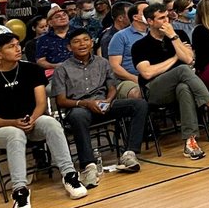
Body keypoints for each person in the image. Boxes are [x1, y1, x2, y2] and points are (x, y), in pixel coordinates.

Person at [0, 25, 88, 208]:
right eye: (11, 46)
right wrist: (14, 123)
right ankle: (20, 192)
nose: (18, 49)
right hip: (3, 129)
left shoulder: (32, 70)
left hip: (31, 121)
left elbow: (41, 103)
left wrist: (32, 119)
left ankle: (70, 176)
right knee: (15, 134)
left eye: (18, 44)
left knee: (51, 123)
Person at [133, 4, 209, 159]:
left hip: (180, 85)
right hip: (155, 90)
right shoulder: (140, 45)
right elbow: (147, 73)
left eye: (167, 16)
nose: (167, 21)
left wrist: (173, 37)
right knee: (182, 70)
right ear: (150, 21)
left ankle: (190, 143)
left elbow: (189, 59)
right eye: (161, 18)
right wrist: (175, 58)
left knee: (183, 88)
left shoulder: (179, 35)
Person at [52, 29, 147, 183]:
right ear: (69, 47)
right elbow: (61, 101)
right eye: (76, 41)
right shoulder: (62, 69)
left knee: (139, 104)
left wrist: (108, 101)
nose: (82, 44)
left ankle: (129, 153)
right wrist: (85, 103)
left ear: (91, 43)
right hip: (80, 107)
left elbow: (112, 87)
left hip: (103, 104)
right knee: (77, 115)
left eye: (85, 40)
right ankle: (88, 165)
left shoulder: (102, 62)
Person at [34, 6, 76, 70]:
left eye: (64, 15)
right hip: (55, 72)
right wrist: (55, 66)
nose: (62, 17)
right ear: (50, 23)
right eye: (58, 16)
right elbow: (40, 61)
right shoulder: (43, 39)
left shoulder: (79, 33)